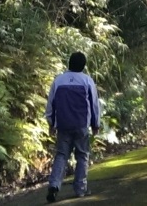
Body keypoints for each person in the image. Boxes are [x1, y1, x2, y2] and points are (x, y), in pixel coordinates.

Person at [45, 52, 101, 202]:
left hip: (63, 125)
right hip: (81, 124)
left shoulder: (58, 81)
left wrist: (51, 123)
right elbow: (94, 105)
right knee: (82, 155)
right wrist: (96, 124)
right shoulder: (87, 81)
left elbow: (51, 104)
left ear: (69, 63)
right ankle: (80, 189)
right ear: (83, 65)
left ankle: (54, 185)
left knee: (61, 155)